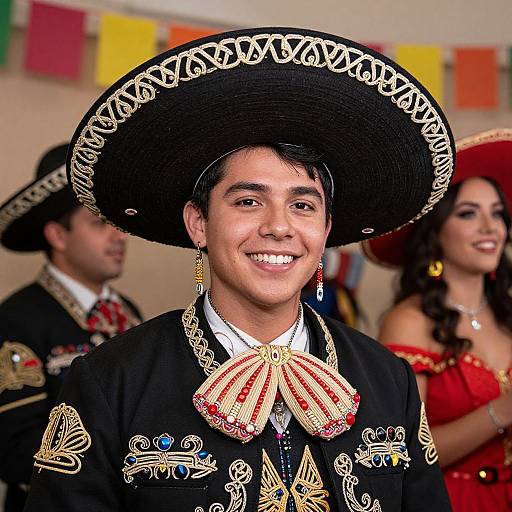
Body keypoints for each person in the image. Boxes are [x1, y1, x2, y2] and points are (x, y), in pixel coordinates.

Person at [24, 28, 455, 511]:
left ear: (326, 229)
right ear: (199, 223)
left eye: (303, 206)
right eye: (249, 201)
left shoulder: (388, 379)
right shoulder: (109, 382)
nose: (279, 227)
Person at [363, 129, 512, 511]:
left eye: (497, 213)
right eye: (468, 213)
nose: (489, 227)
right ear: (436, 232)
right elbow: (403, 451)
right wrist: (500, 412)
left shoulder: (506, 315)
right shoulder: (410, 323)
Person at [0, 143, 143, 512]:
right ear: (58, 236)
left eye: (117, 224)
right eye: (99, 224)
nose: (119, 236)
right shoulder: (17, 319)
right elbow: (14, 446)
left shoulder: (127, 311)